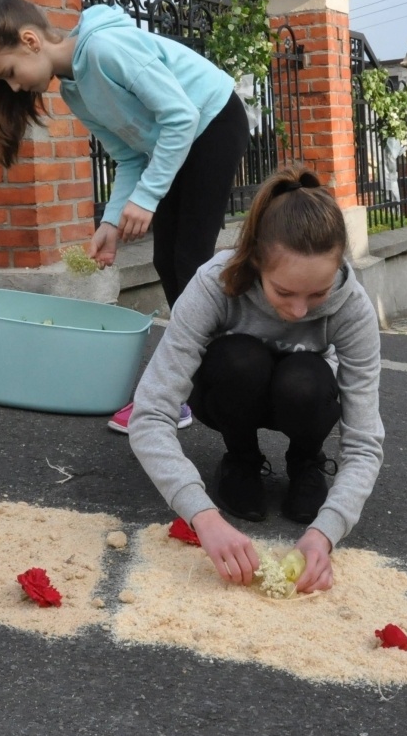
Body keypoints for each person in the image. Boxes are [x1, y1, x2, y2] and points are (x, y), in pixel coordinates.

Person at [0, 0, 250, 431]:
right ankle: (202, 376)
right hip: (178, 142)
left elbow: (180, 115)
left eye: (9, 73)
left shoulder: (104, 49)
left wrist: (147, 198)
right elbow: (131, 157)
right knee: (168, 261)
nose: (15, 86)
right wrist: (112, 222)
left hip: (212, 121)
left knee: (190, 259)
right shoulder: (76, 90)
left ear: (30, 40)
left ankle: (202, 380)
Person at [126, 165, 384, 595]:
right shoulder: (214, 283)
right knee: (238, 358)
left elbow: (364, 441)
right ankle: (241, 458)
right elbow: (150, 414)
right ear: (257, 262)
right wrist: (202, 516)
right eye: (284, 292)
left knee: (305, 377)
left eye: (317, 295)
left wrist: (326, 533)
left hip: (306, 400)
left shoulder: (353, 307)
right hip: (229, 392)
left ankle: (305, 461)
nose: (301, 310)